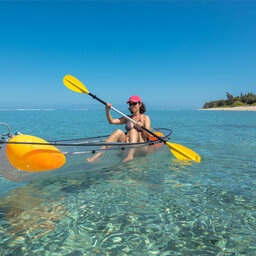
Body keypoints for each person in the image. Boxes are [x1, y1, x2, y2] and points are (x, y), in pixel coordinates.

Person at [87, 95, 151, 162]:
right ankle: (96, 157)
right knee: (119, 131)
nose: (132, 106)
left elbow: (148, 135)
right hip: (128, 144)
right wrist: (107, 110)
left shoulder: (145, 117)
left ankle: (130, 156)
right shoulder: (128, 117)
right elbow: (111, 121)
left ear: (140, 104)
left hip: (140, 146)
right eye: (130, 104)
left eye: (134, 103)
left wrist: (142, 127)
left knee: (133, 130)